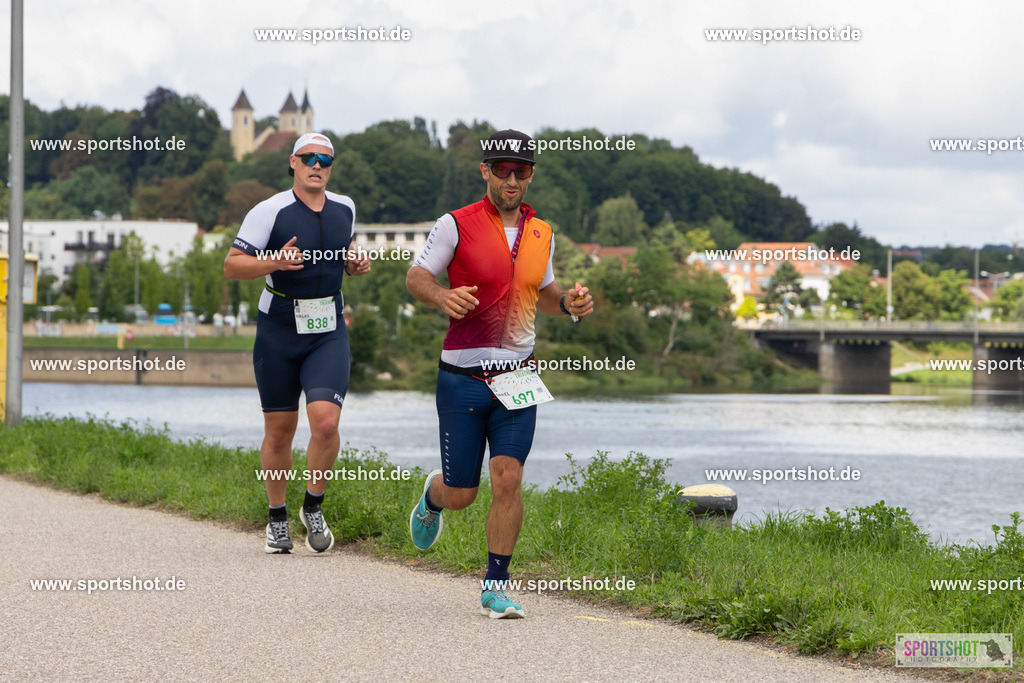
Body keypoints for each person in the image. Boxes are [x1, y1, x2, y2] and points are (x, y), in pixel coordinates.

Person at [405, 129, 594, 618]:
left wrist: (569, 306)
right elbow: (416, 278)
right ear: (485, 170)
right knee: (464, 493)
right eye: (503, 169)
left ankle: (495, 585)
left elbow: (545, 294)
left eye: (522, 170)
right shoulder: (455, 224)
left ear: (531, 174)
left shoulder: (542, 232)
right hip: (462, 377)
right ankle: (434, 495)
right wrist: (442, 296)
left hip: (517, 377)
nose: (512, 179)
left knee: (508, 478)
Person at [224, 132, 370, 554]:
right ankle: (276, 519)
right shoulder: (268, 211)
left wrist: (354, 263)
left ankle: (314, 506)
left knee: (326, 423)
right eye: (309, 158)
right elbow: (232, 266)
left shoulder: (346, 207)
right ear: (292, 162)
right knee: (280, 430)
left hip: (328, 327)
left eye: (325, 159)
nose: (317, 165)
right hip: (279, 329)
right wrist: (274, 260)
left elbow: (342, 251)